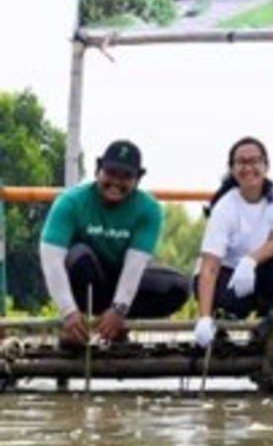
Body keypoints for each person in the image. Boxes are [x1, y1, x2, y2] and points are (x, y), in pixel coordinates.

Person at [39, 140, 189, 347]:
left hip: (120, 279)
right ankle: (78, 326)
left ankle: (115, 324)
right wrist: (68, 311)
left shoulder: (149, 209)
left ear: (137, 180)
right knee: (80, 255)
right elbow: (52, 260)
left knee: (178, 287)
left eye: (126, 176)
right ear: (97, 171)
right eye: (111, 173)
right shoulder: (70, 201)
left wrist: (119, 309)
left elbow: (135, 265)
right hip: (85, 279)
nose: (116, 182)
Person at [192, 137, 273, 347]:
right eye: (241, 162)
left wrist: (250, 260)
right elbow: (210, 266)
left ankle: (270, 322)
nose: (248, 168)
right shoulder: (224, 207)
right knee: (229, 303)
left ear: (266, 165)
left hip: (260, 267)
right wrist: (203, 317)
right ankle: (218, 325)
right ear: (232, 169)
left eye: (255, 161)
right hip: (227, 272)